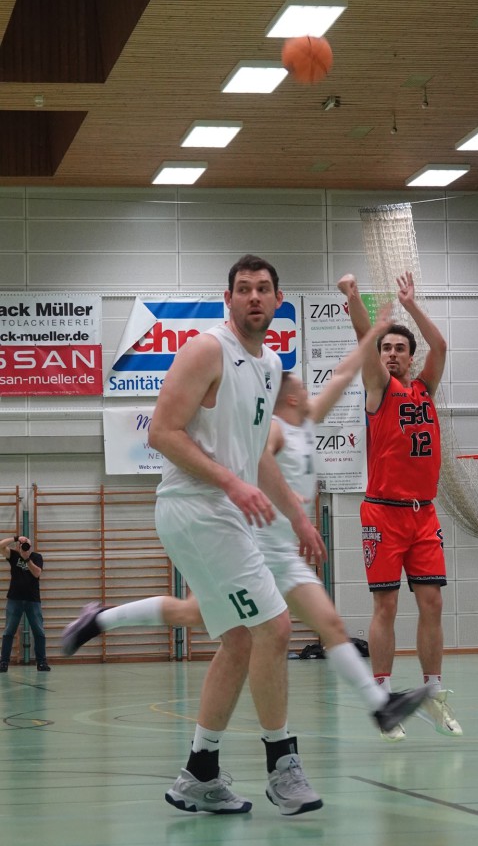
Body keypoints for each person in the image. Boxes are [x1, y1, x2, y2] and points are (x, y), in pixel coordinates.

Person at [62, 311, 429, 739]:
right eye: (301, 388)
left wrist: (372, 329)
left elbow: (345, 372)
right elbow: (260, 458)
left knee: (318, 624)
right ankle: (101, 619)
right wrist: (291, 507)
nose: (309, 391)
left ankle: (380, 707)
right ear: (290, 398)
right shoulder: (273, 430)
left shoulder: (306, 424)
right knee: (217, 622)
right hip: (255, 547)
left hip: (282, 553)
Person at [99, 254, 325, 817]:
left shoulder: (270, 364)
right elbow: (162, 432)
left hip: (219, 512)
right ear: (229, 299)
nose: (254, 297)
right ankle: (282, 765)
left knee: (241, 639)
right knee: (274, 626)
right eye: (243, 288)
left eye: (263, 288)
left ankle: (199, 773)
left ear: (278, 301)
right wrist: (230, 481)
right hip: (194, 507)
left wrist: (298, 517)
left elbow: (257, 456)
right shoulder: (206, 349)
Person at [336, 271, 462, 739]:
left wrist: (410, 306)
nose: (391, 353)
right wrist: (354, 297)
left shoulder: (424, 389)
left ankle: (434, 692)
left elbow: (441, 345)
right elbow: (364, 339)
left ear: (411, 357)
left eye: (399, 348)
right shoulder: (378, 388)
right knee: (385, 606)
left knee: (433, 601)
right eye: (386, 348)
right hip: (383, 512)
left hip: (423, 513)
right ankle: (384, 699)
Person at [0, 534, 50, 673]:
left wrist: (27, 558)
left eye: (27, 544)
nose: (25, 547)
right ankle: (3, 663)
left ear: (31, 546)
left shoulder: (36, 557)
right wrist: (16, 538)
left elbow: (37, 573)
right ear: (18, 546)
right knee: (9, 631)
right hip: (14, 599)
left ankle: (41, 663)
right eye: (23, 544)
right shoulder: (14, 555)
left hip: (32, 600)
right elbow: (0, 546)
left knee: (39, 631)